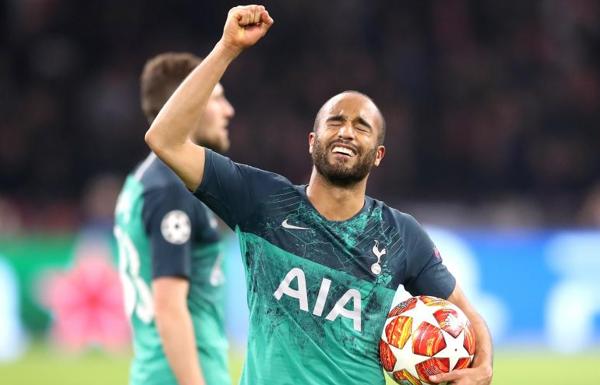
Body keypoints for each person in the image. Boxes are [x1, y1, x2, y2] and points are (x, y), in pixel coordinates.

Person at [145, 5, 493, 385]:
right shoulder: (260, 200)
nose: (346, 131)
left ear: (378, 156)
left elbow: (467, 315)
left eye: (361, 127)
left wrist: (484, 368)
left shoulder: (400, 235)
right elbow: (165, 139)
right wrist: (227, 48)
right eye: (335, 121)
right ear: (312, 142)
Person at [114, 52, 235, 385]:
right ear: (190, 102)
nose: (229, 110)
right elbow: (168, 306)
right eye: (218, 98)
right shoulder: (170, 188)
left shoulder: (144, 180)